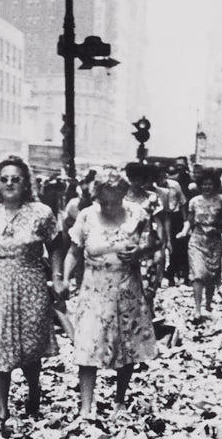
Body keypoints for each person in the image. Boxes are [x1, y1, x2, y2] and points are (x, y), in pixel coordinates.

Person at [63, 166, 156, 419]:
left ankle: (119, 401)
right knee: (88, 346)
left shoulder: (138, 214)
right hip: (94, 289)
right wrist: (63, 278)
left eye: (113, 199)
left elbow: (152, 243)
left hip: (127, 288)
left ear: (123, 194)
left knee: (126, 346)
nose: (108, 205)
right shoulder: (86, 216)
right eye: (103, 199)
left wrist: (139, 253)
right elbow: (73, 250)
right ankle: (85, 407)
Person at [0, 155, 64, 426]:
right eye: (4, 179)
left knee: (30, 345)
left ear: (26, 182)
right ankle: (2, 407)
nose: (9, 184)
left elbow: (55, 247)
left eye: (15, 179)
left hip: (31, 283)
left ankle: (33, 388)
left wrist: (58, 277)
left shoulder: (41, 213)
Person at [181, 169, 222, 320]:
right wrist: (184, 231)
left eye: (210, 184)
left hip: (214, 241)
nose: (207, 187)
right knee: (198, 274)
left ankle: (208, 304)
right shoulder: (194, 201)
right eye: (204, 184)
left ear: (215, 185)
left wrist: (219, 229)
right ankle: (197, 309)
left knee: (211, 275)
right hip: (197, 239)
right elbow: (189, 221)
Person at [124, 162, 164, 313]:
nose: (136, 182)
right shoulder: (120, 199)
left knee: (147, 286)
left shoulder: (152, 198)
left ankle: (148, 319)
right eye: (133, 178)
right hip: (125, 243)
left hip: (147, 244)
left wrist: (160, 249)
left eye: (140, 178)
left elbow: (159, 223)